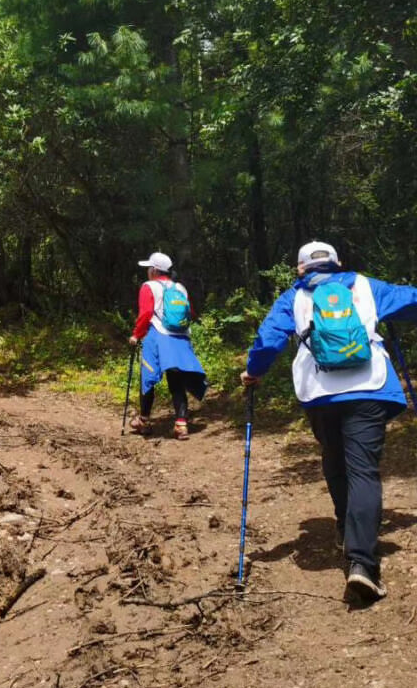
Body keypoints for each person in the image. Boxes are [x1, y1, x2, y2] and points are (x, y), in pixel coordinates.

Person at [241, 240, 417, 604]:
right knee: (364, 471)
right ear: (339, 264)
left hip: (319, 393)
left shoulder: (294, 296)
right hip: (368, 388)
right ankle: (362, 565)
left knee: (335, 462)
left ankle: (343, 528)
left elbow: (269, 339)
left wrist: (253, 372)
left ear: (301, 269)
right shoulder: (369, 286)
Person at [129, 251, 207, 439]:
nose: (148, 271)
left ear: (154, 270)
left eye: (149, 268)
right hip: (180, 339)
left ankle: (144, 421)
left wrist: (136, 335)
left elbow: (146, 314)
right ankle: (181, 425)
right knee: (177, 380)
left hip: (158, 337)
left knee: (147, 378)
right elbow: (190, 313)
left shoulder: (149, 287)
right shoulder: (180, 288)